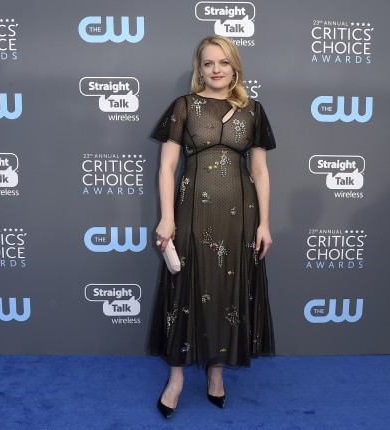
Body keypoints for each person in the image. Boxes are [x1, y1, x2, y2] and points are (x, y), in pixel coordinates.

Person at [149, 35, 276, 418]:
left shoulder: (253, 111)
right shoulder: (184, 106)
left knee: (227, 291)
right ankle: (176, 379)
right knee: (184, 288)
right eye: (208, 63)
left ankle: (216, 374)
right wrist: (167, 217)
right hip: (191, 212)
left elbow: (260, 171)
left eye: (223, 62)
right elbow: (167, 166)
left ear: (234, 67)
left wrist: (265, 224)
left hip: (240, 217)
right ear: (199, 69)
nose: (216, 69)